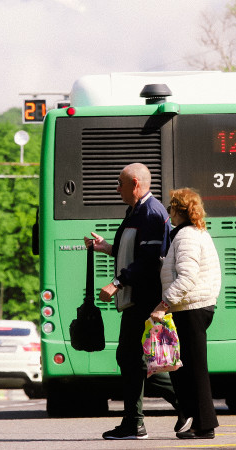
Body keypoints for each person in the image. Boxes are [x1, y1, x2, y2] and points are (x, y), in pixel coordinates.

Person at [85, 163, 186, 440]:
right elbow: (131, 251)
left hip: (145, 297)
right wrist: (105, 247)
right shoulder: (135, 211)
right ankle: (141, 420)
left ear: (134, 184)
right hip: (136, 298)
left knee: (132, 358)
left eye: (119, 183)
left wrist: (117, 283)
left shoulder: (151, 213)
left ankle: (149, 417)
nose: (116, 189)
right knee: (133, 358)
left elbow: (150, 261)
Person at [150, 187, 221, 439]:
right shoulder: (192, 234)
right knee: (188, 368)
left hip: (191, 308)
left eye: (170, 207)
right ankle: (197, 420)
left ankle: (205, 425)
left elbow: (188, 276)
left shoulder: (187, 237)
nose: (168, 212)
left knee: (195, 369)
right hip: (194, 306)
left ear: (177, 210)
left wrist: (163, 304)